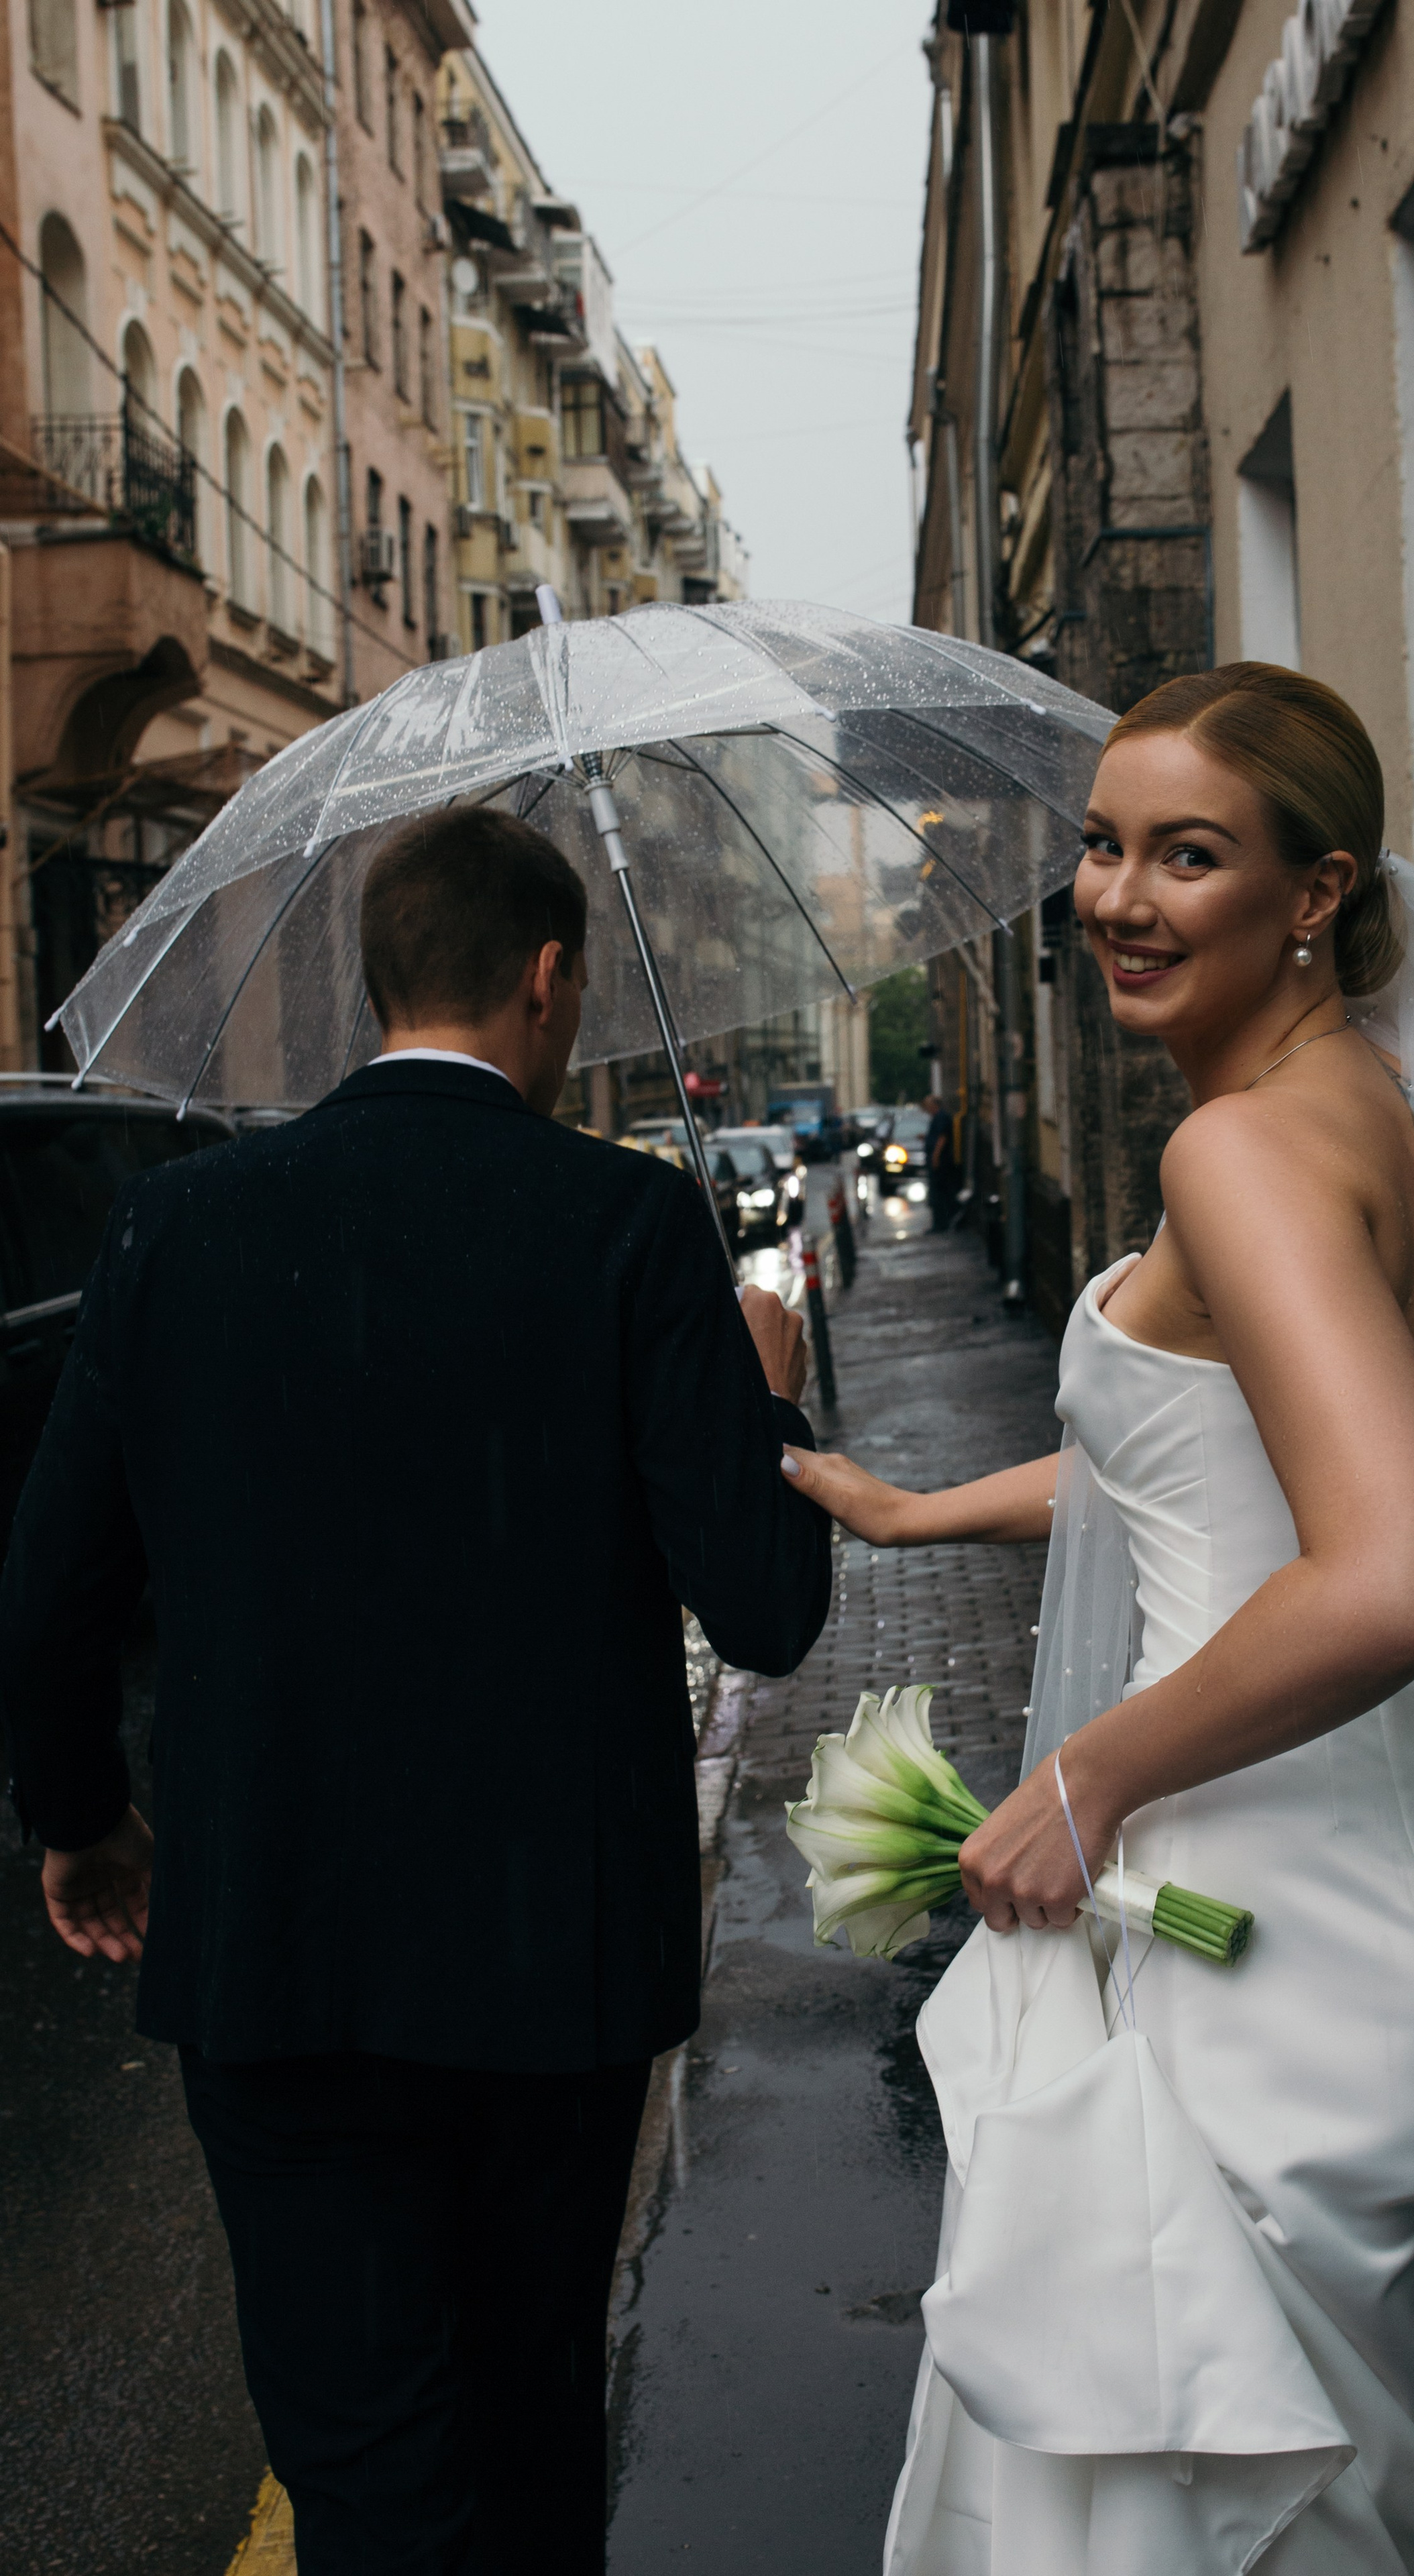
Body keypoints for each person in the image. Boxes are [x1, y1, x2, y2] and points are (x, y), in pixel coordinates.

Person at [780, 667, 1414, 2575]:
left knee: (1208, 2492)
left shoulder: (1235, 1152)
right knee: (1359, 2481)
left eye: (1190, 856)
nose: (1117, 899)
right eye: (1101, 847)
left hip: (1293, 1930)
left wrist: (1081, 1784)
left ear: (1317, 890)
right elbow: (1245, 1455)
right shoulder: (1389, 1106)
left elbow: (1400, 1575)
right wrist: (924, 1505)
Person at [1, 806, 830, 2575]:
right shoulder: (628, 1223)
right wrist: (767, 1401)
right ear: (549, 978)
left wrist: (83, 1820)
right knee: (532, 2426)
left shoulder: (176, 1227)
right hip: (556, 1969)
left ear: (379, 984)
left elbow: (50, 1589)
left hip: (276, 1956)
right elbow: (762, 1609)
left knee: (364, 2453)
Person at [923, 1093, 958, 1232]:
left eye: (928, 1106)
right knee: (939, 1193)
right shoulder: (937, 1118)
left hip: (941, 1162)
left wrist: (936, 1156)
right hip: (939, 1161)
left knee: (939, 1194)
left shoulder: (941, 1117)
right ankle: (941, 1223)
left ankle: (941, 1224)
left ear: (934, 1105)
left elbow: (942, 1138)